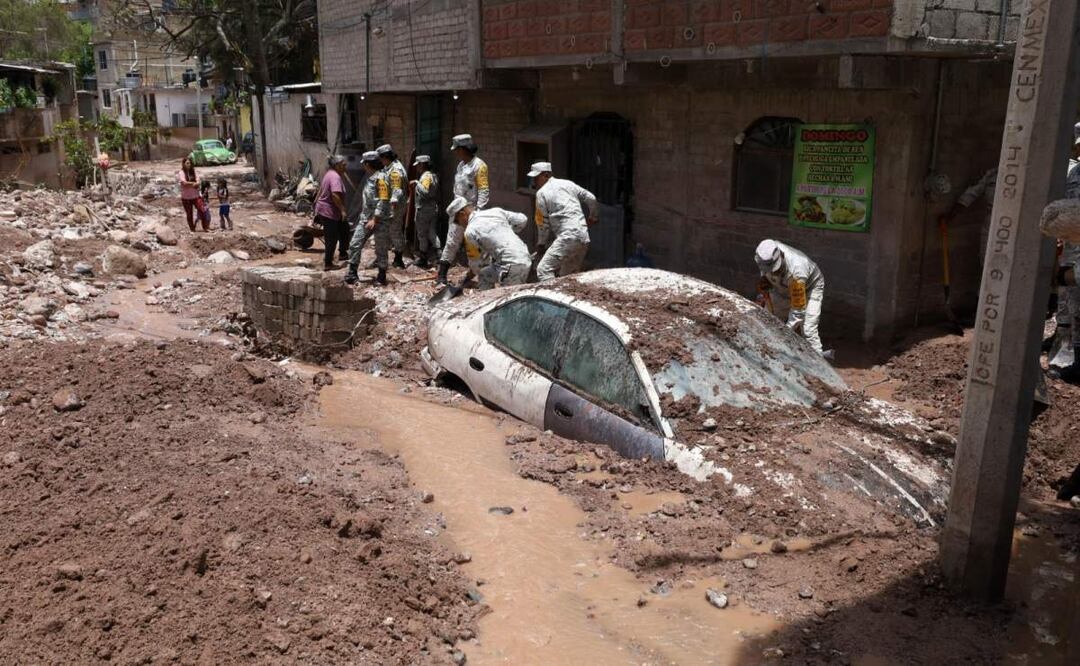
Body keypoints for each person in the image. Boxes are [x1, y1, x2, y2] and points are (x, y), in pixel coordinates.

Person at [755, 239, 830, 358]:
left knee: (808, 329)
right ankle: (768, 352)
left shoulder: (797, 272)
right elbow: (765, 274)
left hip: (810, 287)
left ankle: (818, 362)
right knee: (769, 317)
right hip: (785, 284)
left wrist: (785, 332)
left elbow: (798, 311)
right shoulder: (768, 251)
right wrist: (765, 282)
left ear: (781, 258)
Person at [528, 161, 597, 281]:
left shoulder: (541, 193)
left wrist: (541, 245)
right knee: (568, 277)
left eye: (536, 178)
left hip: (567, 236)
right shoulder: (568, 184)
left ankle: (551, 297)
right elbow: (591, 198)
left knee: (543, 270)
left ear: (546, 174)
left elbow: (542, 224)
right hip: (583, 237)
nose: (534, 182)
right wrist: (593, 217)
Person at [446, 196, 530, 290]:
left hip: (512, 266)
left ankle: (488, 300)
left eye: (457, 221)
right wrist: (506, 232)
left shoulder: (470, 232)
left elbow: (476, 265)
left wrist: (469, 276)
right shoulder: (495, 212)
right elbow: (522, 219)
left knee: (509, 301)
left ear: (462, 214)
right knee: (484, 275)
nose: (459, 225)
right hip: (525, 256)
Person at [437, 133, 490, 284]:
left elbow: (484, 190)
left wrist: (478, 212)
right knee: (451, 241)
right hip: (458, 211)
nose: (456, 152)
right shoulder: (461, 166)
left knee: (474, 245)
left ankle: (481, 277)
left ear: (464, 149)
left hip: (471, 212)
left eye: (457, 149)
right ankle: (441, 275)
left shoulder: (479, 166)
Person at [345, 151, 392, 286]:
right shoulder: (371, 178)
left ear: (368, 164)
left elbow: (383, 200)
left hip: (379, 219)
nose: (363, 166)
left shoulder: (381, 178)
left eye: (364, 164)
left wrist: (375, 219)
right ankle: (352, 274)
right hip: (366, 219)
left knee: (381, 248)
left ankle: (381, 276)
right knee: (355, 243)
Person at [313, 154, 350, 270]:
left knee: (345, 230)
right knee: (331, 238)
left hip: (331, 210)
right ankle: (328, 263)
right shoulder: (335, 177)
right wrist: (343, 210)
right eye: (344, 165)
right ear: (337, 165)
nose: (346, 167)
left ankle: (343, 254)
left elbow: (321, 190)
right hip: (328, 211)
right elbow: (335, 195)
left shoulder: (330, 174)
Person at [376, 144, 408, 269]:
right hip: (392, 205)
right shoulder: (390, 167)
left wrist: (393, 204)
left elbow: (397, 190)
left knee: (395, 231)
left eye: (381, 158)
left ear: (385, 157)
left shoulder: (395, 170)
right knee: (391, 231)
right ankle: (391, 256)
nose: (380, 161)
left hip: (396, 206)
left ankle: (399, 259)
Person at [412, 155, 440, 268]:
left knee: (422, 235)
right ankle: (439, 256)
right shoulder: (432, 175)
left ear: (422, 165)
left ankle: (423, 258)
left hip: (424, 210)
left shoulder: (426, 177)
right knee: (432, 233)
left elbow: (425, 192)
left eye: (418, 165)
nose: (417, 168)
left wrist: (416, 183)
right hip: (432, 208)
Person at [177, 157, 202, 232]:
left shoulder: (194, 171)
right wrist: (193, 183)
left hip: (196, 196)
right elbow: (184, 183)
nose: (189, 165)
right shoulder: (181, 173)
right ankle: (192, 228)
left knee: (202, 210)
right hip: (186, 197)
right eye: (187, 163)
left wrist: (196, 183)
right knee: (189, 214)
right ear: (183, 164)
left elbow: (198, 180)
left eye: (190, 163)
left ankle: (204, 225)